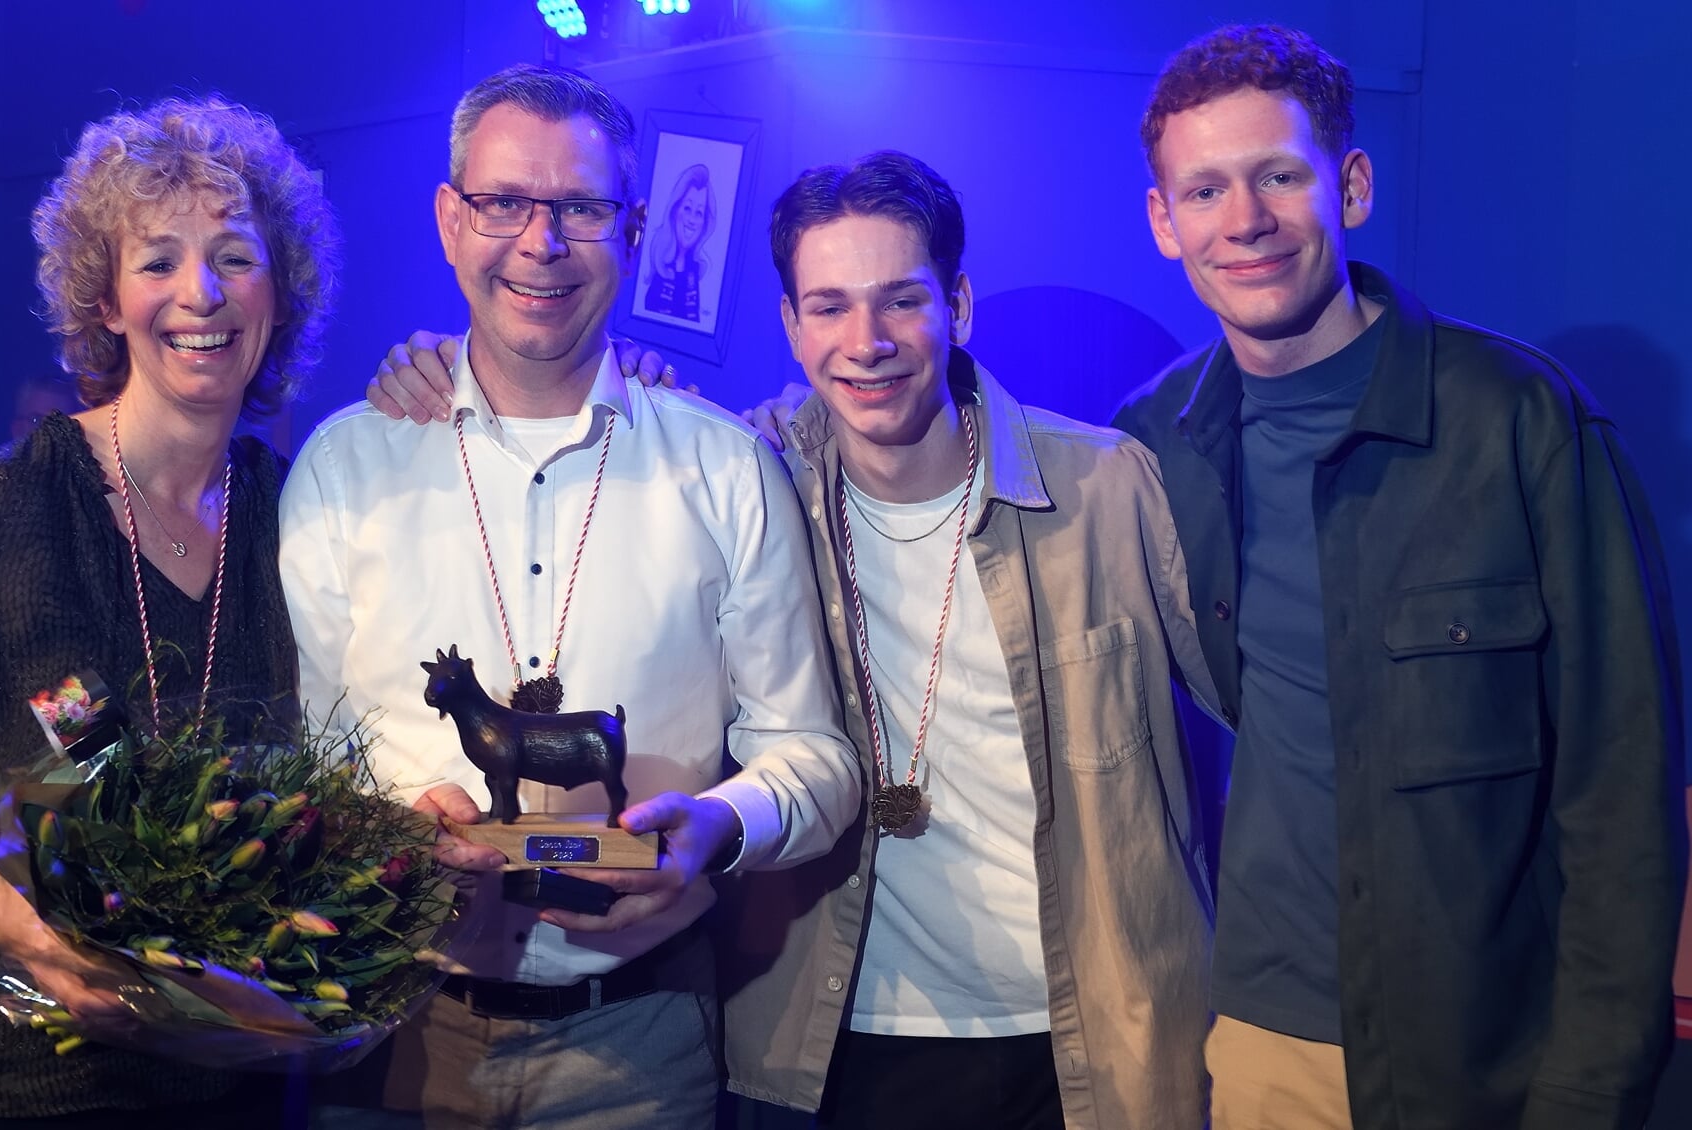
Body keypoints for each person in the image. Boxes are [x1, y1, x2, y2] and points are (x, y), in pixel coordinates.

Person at [372, 150, 1222, 1129]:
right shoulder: (749, 472)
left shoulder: (1109, 488)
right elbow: (596, 428)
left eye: (901, 300)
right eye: (828, 306)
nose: (867, 341)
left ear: (960, 304)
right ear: (790, 324)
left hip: (1089, 1045)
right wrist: (440, 369)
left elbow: (1268, 708)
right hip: (831, 1041)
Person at [1111, 24, 1684, 1129]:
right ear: (1164, 224)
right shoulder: (1151, 447)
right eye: (1207, 190)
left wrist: (1590, 1089)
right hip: (1258, 1050)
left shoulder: (1520, 420)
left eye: (1280, 175)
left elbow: (1624, 786)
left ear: (1352, 185)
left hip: (1487, 1058)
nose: (1246, 221)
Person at [280, 63, 857, 1130]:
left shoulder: (725, 469)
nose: (540, 241)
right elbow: (310, 755)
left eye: (581, 207)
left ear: (632, 229)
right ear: (451, 221)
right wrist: (379, 831)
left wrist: (717, 825)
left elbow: (815, 758)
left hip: (635, 1045)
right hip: (387, 1024)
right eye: (503, 201)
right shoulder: (341, 469)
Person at [0, 94, 338, 1127]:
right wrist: (19, 928)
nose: (202, 293)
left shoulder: (304, 512)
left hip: (223, 1079)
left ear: (279, 290)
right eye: (159, 261)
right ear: (104, 299)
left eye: (236, 255)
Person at [641, 163, 713, 321]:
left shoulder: (693, 270)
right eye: (687, 208)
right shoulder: (662, 265)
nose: (692, 220)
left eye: (699, 213)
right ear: (675, 210)